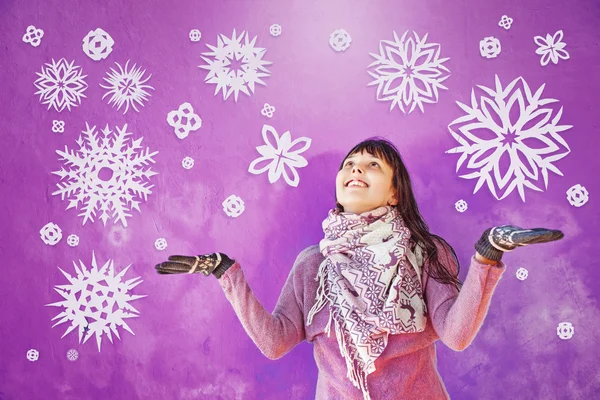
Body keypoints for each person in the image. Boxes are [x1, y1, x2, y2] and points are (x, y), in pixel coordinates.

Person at [155, 138, 564, 400]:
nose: (355, 170)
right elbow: (275, 342)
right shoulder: (313, 264)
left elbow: (456, 335)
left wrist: (486, 255)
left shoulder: (425, 252)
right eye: (350, 164)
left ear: (394, 189)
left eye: (371, 165)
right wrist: (226, 273)